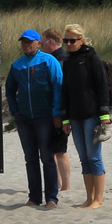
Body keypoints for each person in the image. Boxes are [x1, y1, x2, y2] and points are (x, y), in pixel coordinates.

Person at [5, 29, 63, 208]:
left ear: (38, 42)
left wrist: (57, 113)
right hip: (24, 119)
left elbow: (58, 87)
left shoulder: (49, 61)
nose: (27, 44)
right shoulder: (17, 65)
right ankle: (34, 197)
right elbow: (9, 90)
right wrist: (15, 111)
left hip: (45, 117)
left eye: (30, 41)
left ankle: (52, 198)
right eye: (23, 42)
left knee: (47, 157)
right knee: (30, 159)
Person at [59, 24, 111, 209]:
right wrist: (65, 118)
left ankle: (99, 199)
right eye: (66, 40)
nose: (69, 44)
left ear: (81, 40)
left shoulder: (91, 57)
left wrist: (104, 114)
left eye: (72, 40)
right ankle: (89, 198)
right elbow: (65, 90)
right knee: (84, 158)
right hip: (75, 116)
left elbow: (102, 85)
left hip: (92, 115)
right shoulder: (67, 61)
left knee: (94, 156)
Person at [39, 29, 71, 193]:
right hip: (54, 110)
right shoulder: (57, 59)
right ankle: (59, 184)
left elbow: (61, 89)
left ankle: (65, 185)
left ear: (51, 42)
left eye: (42, 42)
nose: (40, 46)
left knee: (59, 150)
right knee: (53, 150)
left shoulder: (60, 60)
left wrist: (61, 114)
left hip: (59, 111)